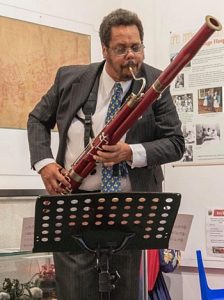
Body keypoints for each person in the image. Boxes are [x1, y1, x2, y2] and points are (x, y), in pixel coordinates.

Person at [27, 8, 185, 300]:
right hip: (75, 205)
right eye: (121, 49)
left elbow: (175, 143)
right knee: (75, 293)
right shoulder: (69, 78)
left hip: (128, 210)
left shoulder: (156, 81)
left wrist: (130, 152)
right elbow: (37, 119)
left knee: (124, 294)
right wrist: (45, 163)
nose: (131, 56)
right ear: (104, 49)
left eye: (136, 47)